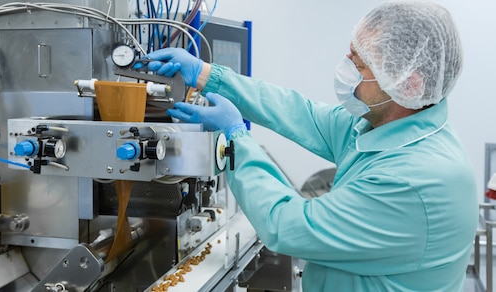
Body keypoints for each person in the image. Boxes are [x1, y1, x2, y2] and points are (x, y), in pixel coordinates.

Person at [134, 0, 478, 291]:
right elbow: (302, 114)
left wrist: (235, 139)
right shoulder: (389, 124)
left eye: (359, 66)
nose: (346, 70)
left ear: (409, 84)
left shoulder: (414, 180)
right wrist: (209, 75)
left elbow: (288, 226)